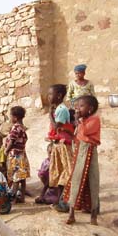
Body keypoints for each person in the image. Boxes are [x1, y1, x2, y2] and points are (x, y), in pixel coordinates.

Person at [64, 95, 101, 225]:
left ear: (90, 109)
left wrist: (78, 121)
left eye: (81, 106)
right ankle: (71, 213)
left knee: (93, 181)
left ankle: (93, 216)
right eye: (77, 106)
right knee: (76, 180)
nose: (77, 109)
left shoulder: (94, 120)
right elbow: (76, 136)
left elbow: (85, 132)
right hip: (80, 153)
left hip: (89, 153)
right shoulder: (81, 121)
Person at [46, 84, 74, 212]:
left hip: (63, 146)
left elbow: (57, 127)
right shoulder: (57, 109)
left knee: (65, 173)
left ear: (59, 95)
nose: (48, 97)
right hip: (58, 145)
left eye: (51, 94)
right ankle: (59, 201)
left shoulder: (61, 110)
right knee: (58, 172)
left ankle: (65, 201)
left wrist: (50, 115)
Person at [5, 106, 30, 203]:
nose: (9, 118)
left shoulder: (15, 128)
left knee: (15, 177)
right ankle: (22, 196)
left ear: (15, 117)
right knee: (22, 177)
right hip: (22, 155)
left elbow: (11, 141)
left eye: (10, 116)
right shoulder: (23, 128)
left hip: (15, 156)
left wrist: (6, 150)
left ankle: (13, 198)